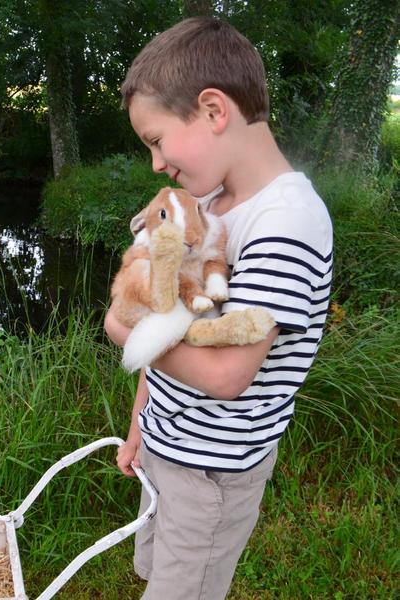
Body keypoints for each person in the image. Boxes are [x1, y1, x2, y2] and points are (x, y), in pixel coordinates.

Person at [104, 16, 333, 600]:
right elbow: (166, 321)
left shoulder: (286, 222)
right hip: (166, 445)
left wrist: (120, 331)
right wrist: (139, 429)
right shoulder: (202, 206)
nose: (155, 163)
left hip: (211, 473)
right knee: (155, 573)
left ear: (212, 110)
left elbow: (227, 374)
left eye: (156, 140)